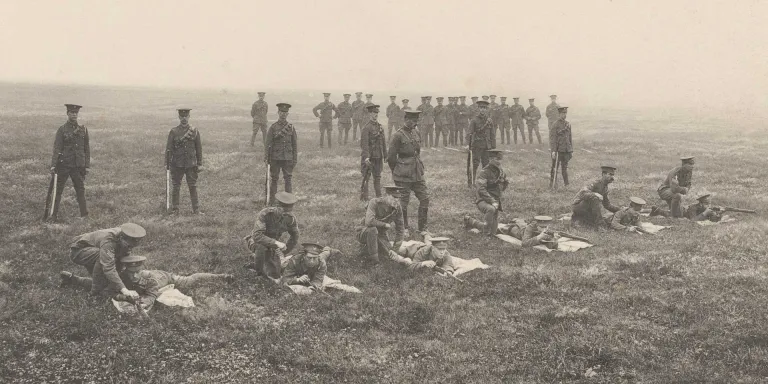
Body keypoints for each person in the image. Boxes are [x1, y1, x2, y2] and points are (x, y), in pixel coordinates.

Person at [61, 255, 234, 310]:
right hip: (133, 288)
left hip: (165, 279)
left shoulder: (150, 278)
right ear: (125, 270)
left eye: (138, 272)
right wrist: (124, 296)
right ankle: (72, 279)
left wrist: (144, 302)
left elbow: (151, 294)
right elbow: (110, 290)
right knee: (100, 287)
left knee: (188, 281)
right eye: (132, 272)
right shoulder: (122, 276)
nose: (135, 276)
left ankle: (221, 276)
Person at [65, 223, 146, 298]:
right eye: (128, 246)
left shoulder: (125, 236)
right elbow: (109, 268)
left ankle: (73, 279)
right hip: (78, 251)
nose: (129, 249)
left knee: (107, 283)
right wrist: (124, 290)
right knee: (102, 257)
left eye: (132, 247)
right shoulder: (109, 240)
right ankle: (93, 294)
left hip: (95, 249)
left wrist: (129, 276)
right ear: (121, 238)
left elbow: (123, 259)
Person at [388, 110, 430, 233]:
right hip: (403, 175)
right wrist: (397, 171)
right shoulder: (397, 135)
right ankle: (404, 228)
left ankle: (423, 228)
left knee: (425, 198)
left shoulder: (416, 132)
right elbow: (391, 157)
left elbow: (417, 151)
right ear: (406, 120)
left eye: (416, 121)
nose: (415, 123)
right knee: (403, 203)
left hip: (417, 172)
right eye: (412, 121)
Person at [244, 192, 300, 282]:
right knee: (261, 247)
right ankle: (259, 275)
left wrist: (285, 251)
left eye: (288, 211)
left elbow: (295, 236)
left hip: (273, 246)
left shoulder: (291, 219)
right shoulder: (265, 214)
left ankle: (254, 263)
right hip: (256, 241)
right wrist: (276, 243)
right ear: (277, 206)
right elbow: (257, 236)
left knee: (275, 274)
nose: (285, 214)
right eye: (284, 211)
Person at [49, 103, 90, 221]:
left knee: (80, 190)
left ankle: (84, 215)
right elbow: (57, 148)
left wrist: (86, 165)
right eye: (72, 113)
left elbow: (86, 148)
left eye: (76, 113)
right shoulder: (62, 130)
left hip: (78, 166)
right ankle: (53, 216)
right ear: (67, 114)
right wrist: (53, 165)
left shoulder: (83, 129)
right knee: (58, 191)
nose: (74, 115)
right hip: (64, 164)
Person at [166, 108, 204, 214]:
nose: (184, 119)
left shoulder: (194, 131)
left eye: (186, 116)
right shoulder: (174, 131)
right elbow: (169, 149)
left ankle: (196, 210)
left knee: (193, 186)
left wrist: (200, 163)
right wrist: (167, 163)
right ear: (179, 117)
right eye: (182, 117)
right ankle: (175, 210)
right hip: (177, 164)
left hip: (191, 164)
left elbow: (199, 148)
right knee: (176, 186)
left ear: (189, 117)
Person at [356, 185, 405, 264]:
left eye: (398, 198)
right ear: (386, 196)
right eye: (394, 197)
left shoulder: (397, 208)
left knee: (389, 255)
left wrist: (395, 250)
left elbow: (401, 229)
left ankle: (368, 249)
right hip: (364, 231)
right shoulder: (374, 202)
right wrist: (385, 225)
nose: (397, 201)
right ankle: (375, 262)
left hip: (381, 234)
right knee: (373, 230)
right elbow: (369, 222)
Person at [264, 103, 298, 205]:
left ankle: (288, 202)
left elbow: (294, 144)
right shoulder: (273, 127)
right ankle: (271, 201)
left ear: (287, 114)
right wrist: (266, 158)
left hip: (288, 158)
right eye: (281, 112)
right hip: (275, 158)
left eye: (285, 112)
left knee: (288, 179)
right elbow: (267, 144)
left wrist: (294, 159)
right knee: (274, 179)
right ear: (278, 113)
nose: (283, 114)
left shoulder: (291, 128)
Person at [473, 149, 508, 237]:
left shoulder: (501, 171)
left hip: (495, 200)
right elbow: (481, 189)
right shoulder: (484, 172)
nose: (499, 162)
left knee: (494, 232)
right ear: (490, 159)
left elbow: (504, 184)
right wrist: (492, 201)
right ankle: (485, 235)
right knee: (491, 209)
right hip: (482, 200)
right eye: (496, 159)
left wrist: (504, 184)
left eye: (500, 159)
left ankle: (470, 220)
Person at [360, 104, 387, 200]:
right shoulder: (366, 128)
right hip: (370, 157)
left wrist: (385, 155)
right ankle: (365, 199)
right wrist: (366, 157)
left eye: (377, 113)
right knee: (366, 177)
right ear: (369, 114)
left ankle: (379, 197)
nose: (376, 115)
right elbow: (364, 144)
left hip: (378, 157)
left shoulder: (380, 127)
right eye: (374, 113)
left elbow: (383, 142)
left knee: (377, 178)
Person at [466, 100, 495, 185]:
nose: (483, 109)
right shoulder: (474, 120)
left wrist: (493, 146)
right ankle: (471, 182)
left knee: (486, 165)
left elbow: (492, 134)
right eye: (481, 108)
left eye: (484, 108)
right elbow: (469, 133)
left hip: (486, 146)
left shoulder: (489, 120)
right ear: (478, 108)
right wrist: (469, 145)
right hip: (477, 146)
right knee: (475, 164)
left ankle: (485, 182)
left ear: (487, 109)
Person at [550, 106, 572, 188]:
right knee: (554, 168)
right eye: (563, 113)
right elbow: (553, 139)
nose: (564, 115)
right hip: (558, 150)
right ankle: (552, 184)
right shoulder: (555, 124)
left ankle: (567, 184)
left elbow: (570, 138)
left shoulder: (568, 124)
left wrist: (570, 149)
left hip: (566, 150)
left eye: (565, 113)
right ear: (559, 114)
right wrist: (553, 151)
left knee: (564, 168)